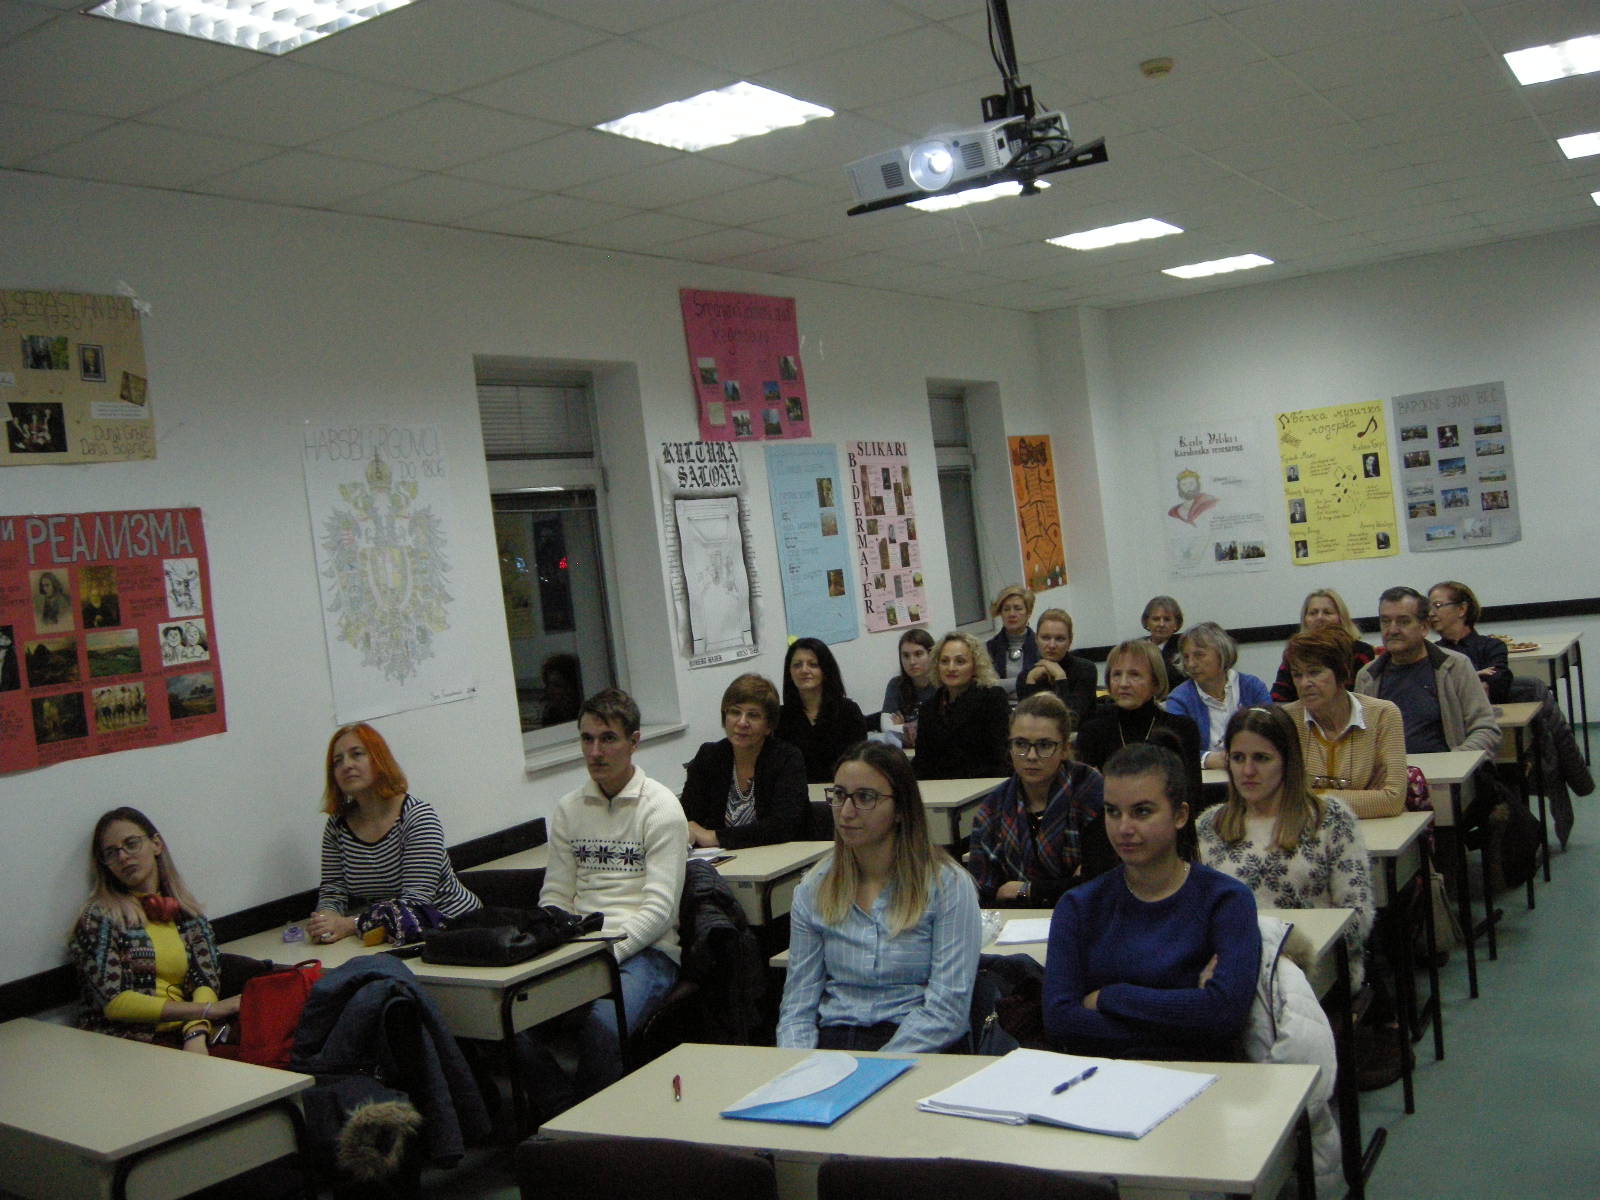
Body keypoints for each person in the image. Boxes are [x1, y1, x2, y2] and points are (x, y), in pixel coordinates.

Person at [1042, 743, 1259, 1061]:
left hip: (1204, 1077)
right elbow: (1061, 1021)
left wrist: (1109, 998)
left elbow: (1224, 1014)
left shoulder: (1226, 900)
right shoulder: (1079, 906)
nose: (1124, 828)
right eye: (1112, 812)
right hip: (1102, 1076)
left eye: (1142, 812)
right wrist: (1186, 1022)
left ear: (1180, 815)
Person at [526, 688, 688, 1103]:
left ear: (634, 742)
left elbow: (659, 910)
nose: (595, 752)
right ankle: (560, 1114)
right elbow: (555, 895)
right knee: (513, 1025)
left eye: (608, 739)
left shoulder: (661, 808)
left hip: (646, 952)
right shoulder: (569, 809)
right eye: (587, 738)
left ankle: (588, 1125)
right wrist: (560, 949)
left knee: (602, 1025)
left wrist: (605, 955)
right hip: (579, 950)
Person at [777, 741, 982, 1051]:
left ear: (900, 809)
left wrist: (876, 1068)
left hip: (920, 1043)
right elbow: (797, 1009)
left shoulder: (948, 885)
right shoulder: (814, 888)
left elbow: (947, 1011)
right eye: (839, 795)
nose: (846, 812)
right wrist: (800, 1066)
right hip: (836, 1039)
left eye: (865, 798)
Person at [1197, 706, 1375, 987]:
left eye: (1262, 758)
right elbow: (1197, 919)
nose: (1248, 771)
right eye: (1238, 758)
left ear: (1288, 761)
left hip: (1314, 970)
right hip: (1231, 971)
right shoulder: (1209, 826)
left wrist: (1281, 956)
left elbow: (1357, 917)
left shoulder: (1330, 819)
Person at [68, 808, 237, 1050]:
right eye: (111, 853)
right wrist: (207, 1011)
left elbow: (205, 980)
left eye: (131, 844)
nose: (123, 857)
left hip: (187, 1031)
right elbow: (116, 1003)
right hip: (128, 1042)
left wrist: (195, 1032)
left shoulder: (187, 913)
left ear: (156, 844)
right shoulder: (98, 918)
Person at [308, 723, 482, 944]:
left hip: (453, 926)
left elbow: (416, 902)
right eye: (337, 761)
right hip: (389, 931)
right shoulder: (337, 825)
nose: (346, 765)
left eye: (357, 754)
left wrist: (350, 924)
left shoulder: (417, 816)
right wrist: (325, 920)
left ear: (379, 760)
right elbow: (333, 890)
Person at [968, 692, 1114, 908]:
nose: (1031, 756)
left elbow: (1102, 882)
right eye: (1020, 744)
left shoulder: (1092, 792)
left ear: (1065, 749)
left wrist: (1026, 890)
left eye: (1044, 745)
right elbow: (985, 895)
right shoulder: (993, 808)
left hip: (1089, 914)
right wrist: (1066, 884)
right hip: (1015, 922)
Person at [1355, 587, 1499, 757]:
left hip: (1448, 769)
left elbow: (1485, 729)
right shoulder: (1367, 677)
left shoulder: (1455, 667)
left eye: (1403, 621)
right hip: (1390, 772)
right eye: (1385, 621)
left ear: (1424, 627)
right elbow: (1359, 740)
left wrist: (1455, 762)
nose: (1392, 630)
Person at [1280, 627, 1407, 818]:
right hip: (1305, 831)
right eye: (1297, 674)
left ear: (1341, 673)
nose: (1305, 683)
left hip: (1378, 831)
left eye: (1315, 672)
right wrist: (1366, 798)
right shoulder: (1285, 720)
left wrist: (1308, 799)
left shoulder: (1383, 714)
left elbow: (1392, 800)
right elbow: (1277, 800)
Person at [681, 673, 808, 848]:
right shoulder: (709, 756)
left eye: (753, 715)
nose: (742, 723)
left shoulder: (786, 758)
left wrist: (716, 837)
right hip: (719, 860)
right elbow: (687, 817)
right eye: (735, 712)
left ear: (769, 725)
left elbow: (783, 826)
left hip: (778, 857)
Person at [1075, 640, 1202, 810]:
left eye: (1134, 675)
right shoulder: (1092, 731)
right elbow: (1085, 800)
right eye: (1117, 674)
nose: (1123, 683)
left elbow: (1191, 796)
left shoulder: (1181, 729)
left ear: (1155, 682)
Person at [1164, 622, 1272, 769]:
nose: (1191, 664)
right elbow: (1175, 749)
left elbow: (1272, 733)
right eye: (1186, 657)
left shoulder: (1252, 687)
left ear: (1222, 653)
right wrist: (1206, 759)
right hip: (1207, 779)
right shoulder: (1179, 699)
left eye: (1199, 655)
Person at [912, 632, 1011, 780]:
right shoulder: (928, 708)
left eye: (960, 661)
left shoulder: (992, 698)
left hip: (983, 785)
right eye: (944, 661)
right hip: (939, 788)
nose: (951, 668)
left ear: (975, 666)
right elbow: (922, 762)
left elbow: (1000, 757)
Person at [776, 637, 868, 783]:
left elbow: (860, 764)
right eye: (797, 665)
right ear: (789, 672)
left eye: (813, 664)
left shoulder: (848, 711)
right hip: (798, 793)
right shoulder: (780, 718)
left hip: (842, 791)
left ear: (826, 670)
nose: (804, 670)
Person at [1270, 588, 1376, 702]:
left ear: (1341, 618)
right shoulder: (1294, 654)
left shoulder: (1361, 652)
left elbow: (1367, 697)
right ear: (1305, 620)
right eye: (1313, 613)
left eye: (1327, 612)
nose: (1319, 618)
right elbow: (1278, 700)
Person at [1015, 606, 1097, 732]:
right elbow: (1029, 726)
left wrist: (1060, 678)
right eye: (1046, 638)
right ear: (1036, 639)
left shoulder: (1085, 669)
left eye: (1060, 639)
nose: (1052, 645)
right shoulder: (1026, 676)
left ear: (1070, 641)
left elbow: (1071, 723)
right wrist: (1031, 683)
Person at [1428, 580, 1511, 703]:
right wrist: (1475, 675)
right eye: (1429, 608)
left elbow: (1496, 683)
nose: (1431, 613)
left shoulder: (1492, 646)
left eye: (1438, 605)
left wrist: (1450, 683)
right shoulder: (1431, 651)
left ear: (1462, 609)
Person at [879, 627, 936, 743]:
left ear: (931, 654)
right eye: (906, 656)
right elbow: (885, 726)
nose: (912, 662)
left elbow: (940, 727)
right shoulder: (896, 684)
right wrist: (909, 728)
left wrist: (904, 726)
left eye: (918, 654)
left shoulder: (943, 684)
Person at [984, 584, 1038, 696]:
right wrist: (1025, 680)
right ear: (1001, 613)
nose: (1012, 614)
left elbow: (1042, 684)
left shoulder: (1041, 645)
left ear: (1029, 612)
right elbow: (989, 686)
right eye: (1006, 609)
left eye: (1018, 608)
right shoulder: (989, 648)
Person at [1141, 594, 1186, 684]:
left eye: (1167, 619)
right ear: (1146, 622)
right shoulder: (1137, 647)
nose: (1161, 624)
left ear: (1176, 624)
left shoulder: (1183, 646)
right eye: (1156, 619)